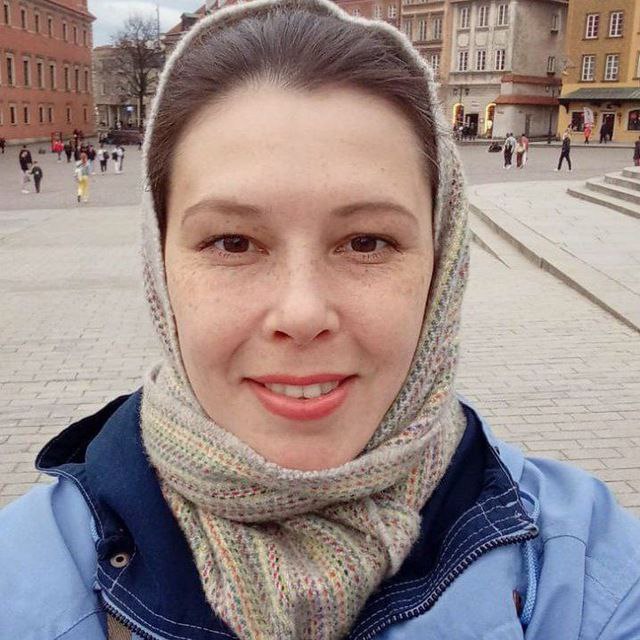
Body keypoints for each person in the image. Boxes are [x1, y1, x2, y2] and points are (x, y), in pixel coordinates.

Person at [1, 1, 639, 638]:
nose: (302, 314)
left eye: (366, 242)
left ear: (442, 266)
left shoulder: (584, 568)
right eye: (232, 242)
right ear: (159, 266)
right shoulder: (23, 572)